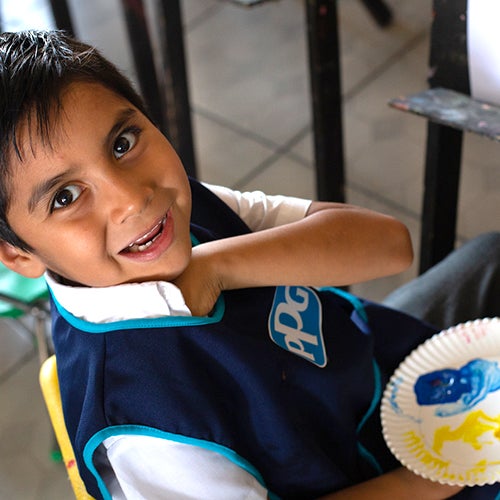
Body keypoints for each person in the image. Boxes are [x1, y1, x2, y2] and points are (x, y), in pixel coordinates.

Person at [0, 30, 498, 500]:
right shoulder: (145, 429)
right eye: (65, 197)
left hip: (383, 375)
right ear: (17, 253)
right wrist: (432, 478)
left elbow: (388, 245)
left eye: (123, 143)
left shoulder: (181, 209)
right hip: (397, 478)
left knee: (488, 257)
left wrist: (216, 266)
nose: (132, 199)